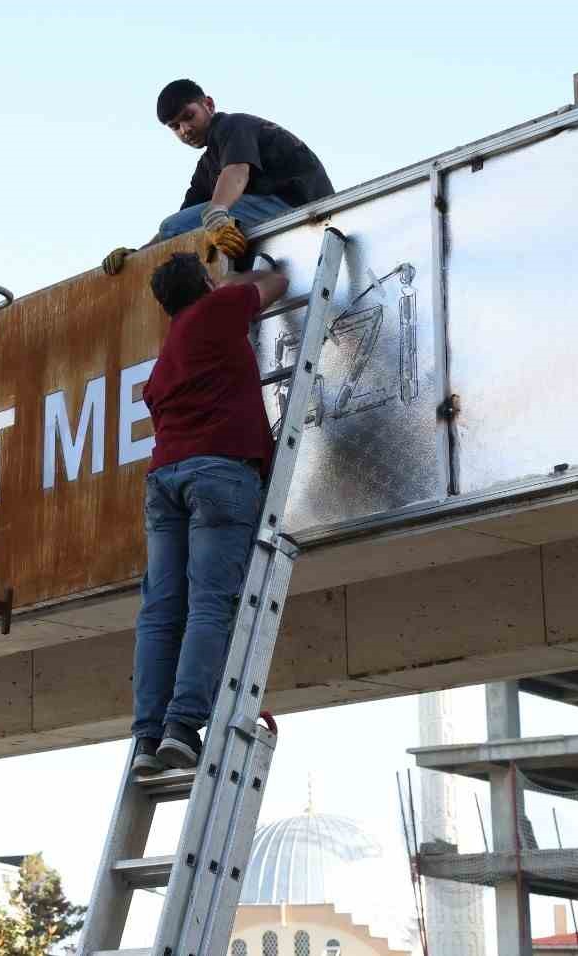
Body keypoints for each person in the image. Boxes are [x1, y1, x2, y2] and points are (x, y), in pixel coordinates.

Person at [131, 251, 289, 774]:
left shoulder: (168, 353)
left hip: (164, 479)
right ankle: (183, 725)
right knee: (210, 604)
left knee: (160, 613)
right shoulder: (219, 310)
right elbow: (278, 282)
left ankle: (148, 738)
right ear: (204, 282)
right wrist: (236, 277)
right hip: (219, 472)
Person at [101, 79, 334, 276]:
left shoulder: (232, 126)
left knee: (182, 228)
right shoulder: (206, 166)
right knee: (180, 234)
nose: (185, 129)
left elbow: (237, 171)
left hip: (302, 206)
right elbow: (181, 225)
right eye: (175, 127)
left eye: (189, 116)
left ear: (208, 105)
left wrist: (216, 214)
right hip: (274, 211)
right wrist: (139, 255)